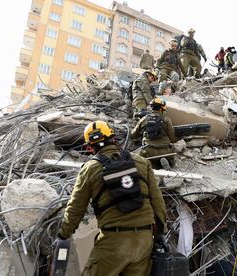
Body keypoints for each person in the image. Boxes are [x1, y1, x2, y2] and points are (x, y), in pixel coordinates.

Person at [58, 121, 167, 276]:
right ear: (113, 138)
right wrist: (161, 233)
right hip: (144, 241)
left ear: (90, 147)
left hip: (113, 243)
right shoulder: (142, 162)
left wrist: (63, 234)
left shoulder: (89, 169)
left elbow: (76, 208)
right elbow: (158, 202)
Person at [131, 98, 177, 169]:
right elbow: (172, 137)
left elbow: (133, 135)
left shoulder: (144, 119)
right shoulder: (167, 120)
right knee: (171, 155)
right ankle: (168, 165)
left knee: (144, 161)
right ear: (162, 108)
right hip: (165, 151)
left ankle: (153, 167)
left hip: (149, 151)